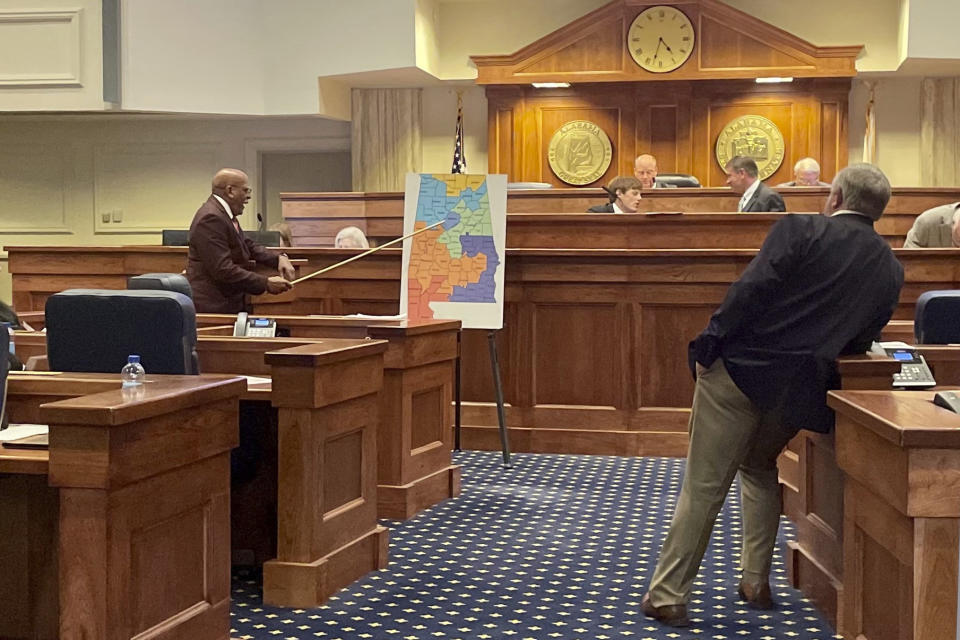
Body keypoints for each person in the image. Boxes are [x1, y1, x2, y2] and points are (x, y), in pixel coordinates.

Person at [641, 163, 904, 628]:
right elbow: (863, 339)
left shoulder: (801, 228)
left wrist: (708, 345)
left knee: (704, 484)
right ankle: (756, 580)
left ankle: (668, 593)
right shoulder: (889, 267)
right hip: (801, 391)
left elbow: (751, 290)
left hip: (742, 373)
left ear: (836, 196)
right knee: (759, 466)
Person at [186, 168, 294, 313]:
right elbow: (223, 269)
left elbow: (246, 244)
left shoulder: (222, 214)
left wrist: (278, 257)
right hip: (214, 307)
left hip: (225, 303)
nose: (248, 197)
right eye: (245, 191)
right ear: (230, 191)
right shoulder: (211, 218)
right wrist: (265, 283)